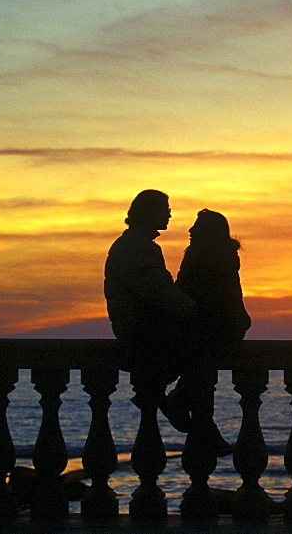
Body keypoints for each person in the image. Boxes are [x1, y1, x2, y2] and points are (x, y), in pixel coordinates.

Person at [104, 190, 229, 454]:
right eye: (166, 208)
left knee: (202, 353)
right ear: (149, 212)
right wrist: (193, 311)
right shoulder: (138, 247)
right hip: (142, 331)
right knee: (204, 351)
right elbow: (158, 293)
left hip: (144, 328)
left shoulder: (138, 245)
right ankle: (200, 422)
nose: (170, 214)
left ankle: (191, 414)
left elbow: (160, 291)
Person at [175, 209, 251, 348]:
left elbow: (186, 294)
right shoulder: (223, 259)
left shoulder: (202, 260)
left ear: (208, 233)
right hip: (228, 330)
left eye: (197, 227)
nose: (190, 230)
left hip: (209, 333)